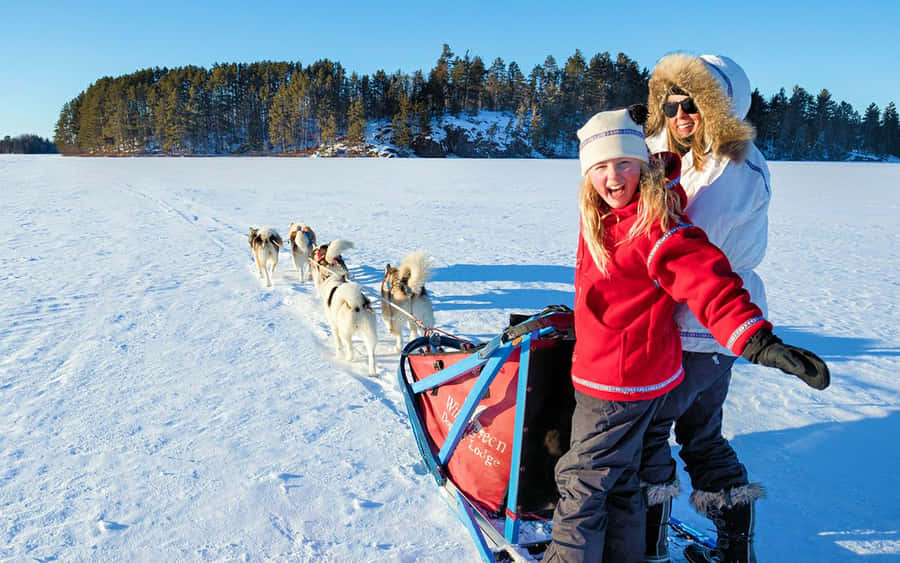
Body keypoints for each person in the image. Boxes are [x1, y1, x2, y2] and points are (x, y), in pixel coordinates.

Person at [541, 107, 829, 563]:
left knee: (582, 483)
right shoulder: (604, 212)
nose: (613, 177)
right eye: (599, 167)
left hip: (620, 382)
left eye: (623, 164)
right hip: (620, 372)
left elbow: (708, 282)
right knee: (621, 481)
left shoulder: (656, 227)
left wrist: (757, 340)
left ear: (641, 164)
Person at [638, 53, 808, 563]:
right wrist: (637, 135)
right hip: (711, 330)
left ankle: (648, 547)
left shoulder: (731, 167)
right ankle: (736, 550)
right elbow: (662, 158)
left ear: (721, 106)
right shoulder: (697, 155)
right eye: (669, 106)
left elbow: (685, 245)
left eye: (693, 104)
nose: (680, 116)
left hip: (703, 324)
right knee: (701, 436)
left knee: (648, 436)